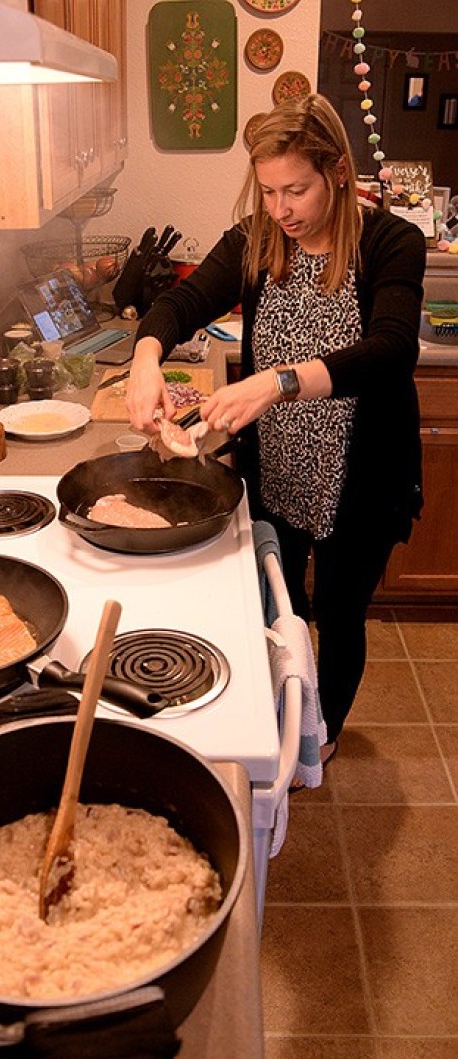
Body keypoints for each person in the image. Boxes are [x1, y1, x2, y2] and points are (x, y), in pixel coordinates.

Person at [126, 93, 426, 783]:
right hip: (280, 466)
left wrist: (274, 383)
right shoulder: (257, 241)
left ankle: (321, 733)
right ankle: (279, 711)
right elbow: (181, 301)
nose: (282, 208)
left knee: (339, 612)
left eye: (297, 189)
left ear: (339, 174)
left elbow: (389, 349)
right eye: (268, 190)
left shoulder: (390, 242)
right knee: (279, 602)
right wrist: (146, 358)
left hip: (362, 475)